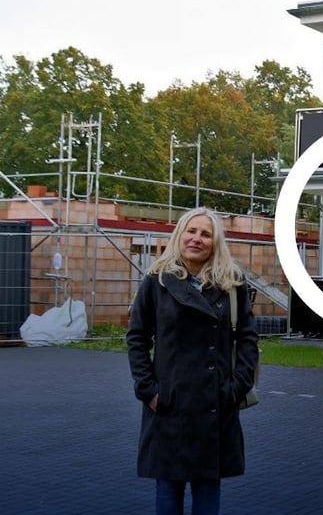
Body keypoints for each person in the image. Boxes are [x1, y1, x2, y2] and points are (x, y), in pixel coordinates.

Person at [127, 207, 259, 515]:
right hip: (169, 403)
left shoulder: (232, 283)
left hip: (215, 401)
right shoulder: (156, 282)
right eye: (191, 231)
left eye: (205, 234)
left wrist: (236, 388)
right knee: (168, 487)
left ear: (215, 242)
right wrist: (148, 389)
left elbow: (249, 339)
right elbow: (137, 338)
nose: (196, 239)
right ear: (179, 235)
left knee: (208, 487)